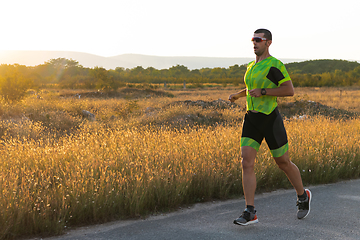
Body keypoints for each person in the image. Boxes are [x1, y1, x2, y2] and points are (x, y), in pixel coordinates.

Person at [229, 29, 311, 226]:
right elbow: (251, 88)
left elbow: (289, 90)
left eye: (258, 40)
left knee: (283, 162)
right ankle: (250, 212)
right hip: (251, 119)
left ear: (268, 43)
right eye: (253, 39)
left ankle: (303, 196)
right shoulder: (251, 66)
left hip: (269, 120)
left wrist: (265, 91)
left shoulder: (274, 65)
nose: (254, 43)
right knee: (246, 162)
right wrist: (238, 95)